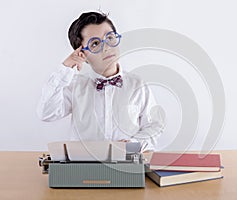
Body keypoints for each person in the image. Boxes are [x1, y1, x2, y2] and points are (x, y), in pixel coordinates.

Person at [37, 11, 164, 152]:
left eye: (110, 37)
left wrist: (133, 144)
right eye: (95, 43)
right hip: (83, 165)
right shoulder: (74, 85)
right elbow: (46, 113)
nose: (107, 47)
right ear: (82, 54)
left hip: (126, 164)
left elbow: (154, 126)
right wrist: (65, 68)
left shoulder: (137, 85)